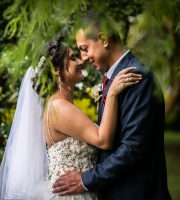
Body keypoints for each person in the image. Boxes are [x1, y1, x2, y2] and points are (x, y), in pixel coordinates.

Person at [0, 39, 141, 200]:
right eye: (72, 58)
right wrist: (112, 94)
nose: (80, 61)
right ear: (57, 70)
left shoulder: (56, 106)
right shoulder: (60, 108)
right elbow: (103, 140)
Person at [52, 20, 172, 200]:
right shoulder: (115, 79)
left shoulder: (136, 76)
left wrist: (85, 179)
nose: (83, 58)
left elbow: (133, 147)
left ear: (104, 40)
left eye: (85, 48)